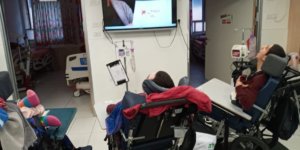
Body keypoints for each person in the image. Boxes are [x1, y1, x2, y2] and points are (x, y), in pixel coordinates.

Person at [234, 44, 286, 110]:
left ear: (266, 58)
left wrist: (238, 86)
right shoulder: (261, 75)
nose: (262, 47)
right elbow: (251, 89)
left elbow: (246, 102)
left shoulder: (260, 79)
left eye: (266, 48)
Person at [106, 70, 175, 114]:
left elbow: (111, 109)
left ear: (150, 87)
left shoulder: (137, 103)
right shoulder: (174, 101)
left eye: (147, 79)